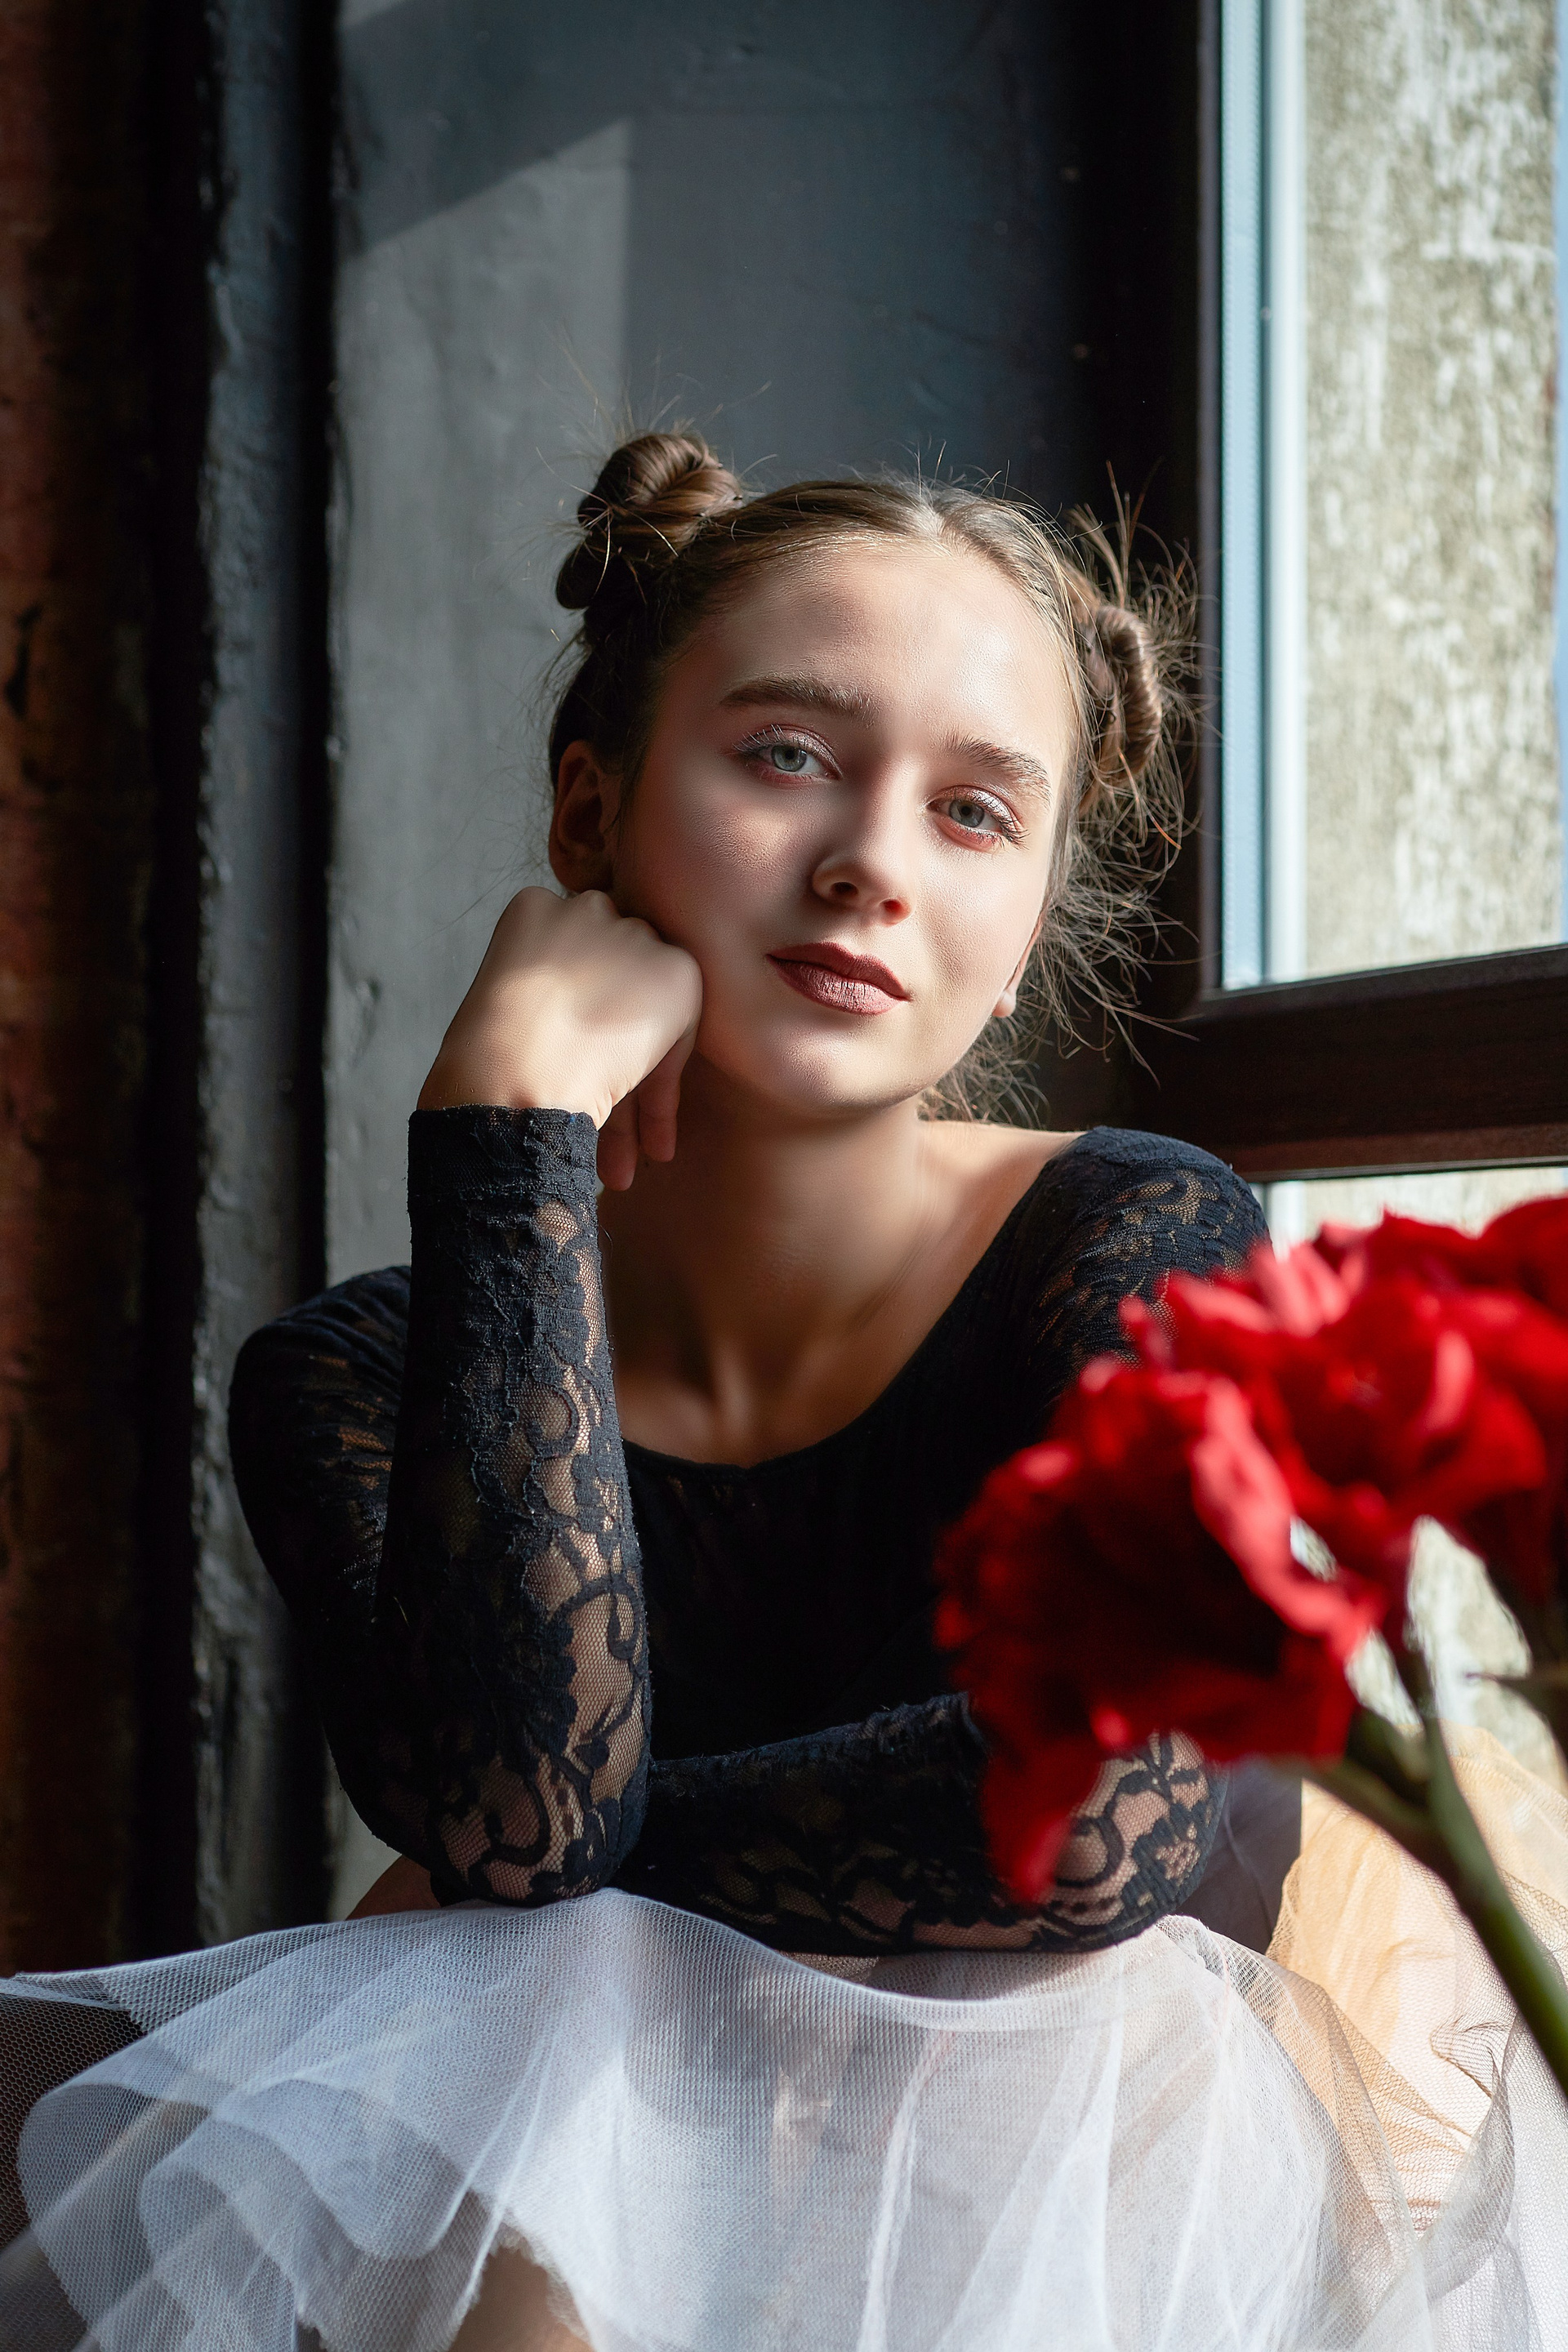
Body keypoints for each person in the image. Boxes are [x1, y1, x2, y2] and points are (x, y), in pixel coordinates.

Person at [2, 435, 1566, 2352]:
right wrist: (506, 1140)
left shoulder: (1135, 1236)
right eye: (787, 755)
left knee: (540, 1985)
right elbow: (520, 1817)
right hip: (610, 2152)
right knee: (540, 2052)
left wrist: (532, 1891)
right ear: (590, 811)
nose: (871, 865)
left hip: (1098, 2158)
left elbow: (1083, 1833)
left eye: (974, 812)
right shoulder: (349, 1374)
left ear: (1031, 921)